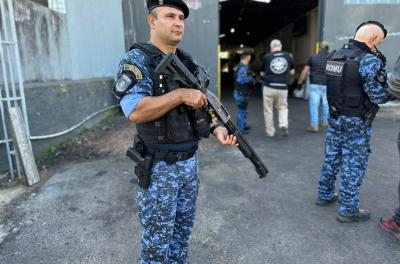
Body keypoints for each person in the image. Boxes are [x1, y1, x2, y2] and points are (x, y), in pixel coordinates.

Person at [113, 1, 238, 262]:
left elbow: (198, 108)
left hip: (189, 165)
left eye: (181, 17)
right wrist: (180, 94)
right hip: (160, 168)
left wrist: (216, 129)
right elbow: (135, 110)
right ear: (152, 21)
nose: (178, 22)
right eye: (170, 15)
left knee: (181, 236)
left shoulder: (187, 62)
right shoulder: (137, 60)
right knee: (157, 246)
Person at [316, 21, 390, 223]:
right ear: (373, 39)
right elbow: (378, 96)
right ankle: (348, 209)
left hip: (335, 116)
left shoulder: (334, 56)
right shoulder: (368, 61)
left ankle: (325, 194)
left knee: (332, 156)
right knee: (353, 164)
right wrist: (390, 87)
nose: (378, 47)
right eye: (380, 43)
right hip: (357, 120)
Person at [260, 39, 295, 137]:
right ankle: (283, 124)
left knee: (268, 110)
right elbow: (292, 72)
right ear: (281, 46)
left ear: (271, 48)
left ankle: (270, 132)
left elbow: (262, 73)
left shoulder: (266, 57)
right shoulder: (288, 56)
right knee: (283, 107)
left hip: (269, 86)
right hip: (283, 87)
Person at [297, 41, 331, 133]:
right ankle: (324, 121)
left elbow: (305, 71)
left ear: (320, 48)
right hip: (327, 84)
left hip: (315, 83)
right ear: (329, 48)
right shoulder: (331, 58)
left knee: (314, 104)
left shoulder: (313, 57)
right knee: (326, 103)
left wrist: (300, 81)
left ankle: (314, 125)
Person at [234, 50, 254, 134]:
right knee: (241, 111)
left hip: (241, 92)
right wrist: (251, 78)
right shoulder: (242, 67)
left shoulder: (241, 66)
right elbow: (241, 80)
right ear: (248, 57)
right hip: (241, 93)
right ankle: (240, 129)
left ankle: (243, 125)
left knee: (243, 110)